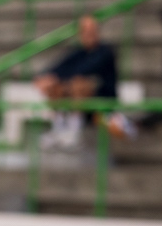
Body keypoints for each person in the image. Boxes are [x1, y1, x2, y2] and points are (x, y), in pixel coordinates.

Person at [35, 15, 133, 146]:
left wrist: (58, 77)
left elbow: (84, 70)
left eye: (91, 31)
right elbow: (59, 67)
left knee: (79, 83)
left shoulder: (105, 52)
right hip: (79, 103)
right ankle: (59, 127)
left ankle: (74, 130)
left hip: (103, 101)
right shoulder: (78, 52)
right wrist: (47, 78)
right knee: (53, 86)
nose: (88, 35)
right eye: (85, 31)